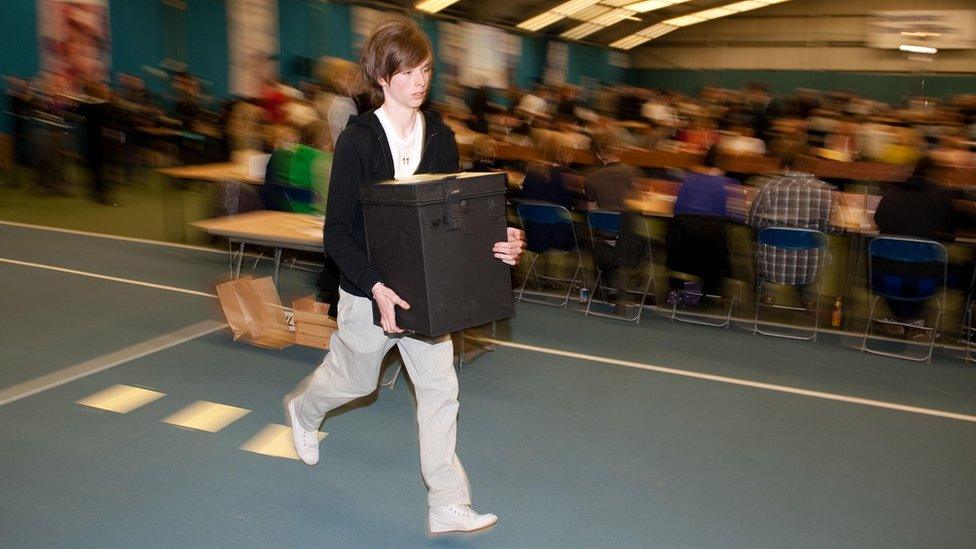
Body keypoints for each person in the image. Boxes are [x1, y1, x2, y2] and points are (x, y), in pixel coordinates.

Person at [283, 17, 524, 535]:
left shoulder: (441, 137)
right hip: (368, 289)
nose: (420, 80)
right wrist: (374, 286)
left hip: (425, 293)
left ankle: (447, 501)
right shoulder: (358, 142)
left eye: (426, 70)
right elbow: (337, 235)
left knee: (441, 389)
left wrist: (501, 241)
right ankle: (304, 410)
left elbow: (453, 222)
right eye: (409, 71)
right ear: (383, 76)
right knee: (356, 379)